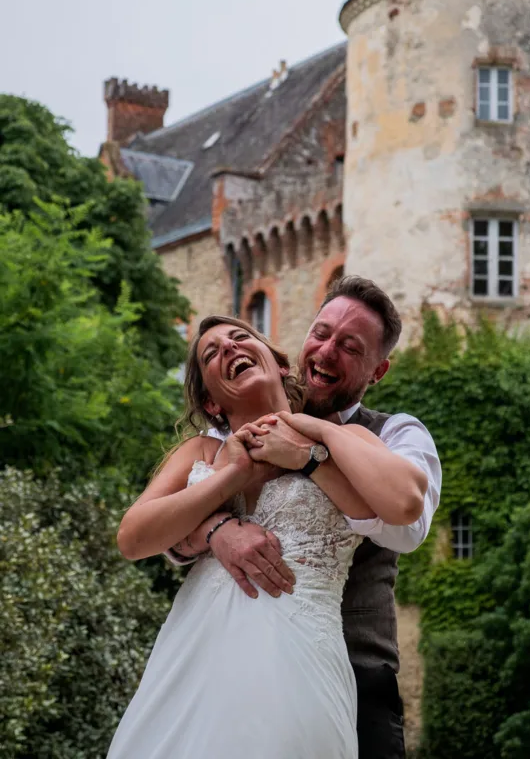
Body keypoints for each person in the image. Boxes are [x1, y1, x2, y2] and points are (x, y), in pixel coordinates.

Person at [108, 298, 436, 759]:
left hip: (310, 658)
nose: (229, 348)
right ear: (210, 400)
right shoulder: (202, 451)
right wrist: (227, 491)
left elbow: (405, 511)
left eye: (241, 337)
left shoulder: (367, 436)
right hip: (198, 652)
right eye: (210, 353)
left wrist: (310, 440)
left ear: (280, 366)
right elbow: (134, 538)